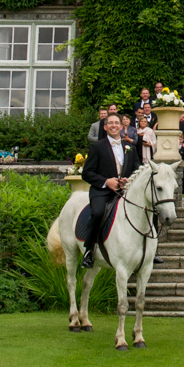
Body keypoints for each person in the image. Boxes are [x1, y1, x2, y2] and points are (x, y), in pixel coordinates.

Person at [81, 112, 142, 268]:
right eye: (111, 123)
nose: (114, 125)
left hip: (125, 192)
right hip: (102, 192)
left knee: (147, 209)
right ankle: (89, 251)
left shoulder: (130, 147)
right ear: (106, 126)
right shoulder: (97, 146)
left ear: (121, 127)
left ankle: (150, 251)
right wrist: (106, 182)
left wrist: (129, 180)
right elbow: (87, 173)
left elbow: (137, 169)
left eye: (117, 123)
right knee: (98, 213)